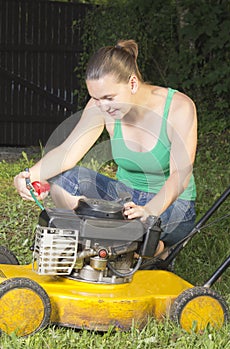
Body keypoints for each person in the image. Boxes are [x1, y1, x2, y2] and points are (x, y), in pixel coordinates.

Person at [14, 39, 197, 252]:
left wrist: (149, 209)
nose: (102, 106)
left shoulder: (179, 107)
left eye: (109, 98)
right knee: (61, 180)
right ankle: (103, 243)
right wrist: (30, 174)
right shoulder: (101, 106)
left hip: (173, 206)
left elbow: (181, 174)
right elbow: (68, 151)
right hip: (124, 198)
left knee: (132, 226)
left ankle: (155, 251)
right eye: (96, 98)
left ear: (132, 83)